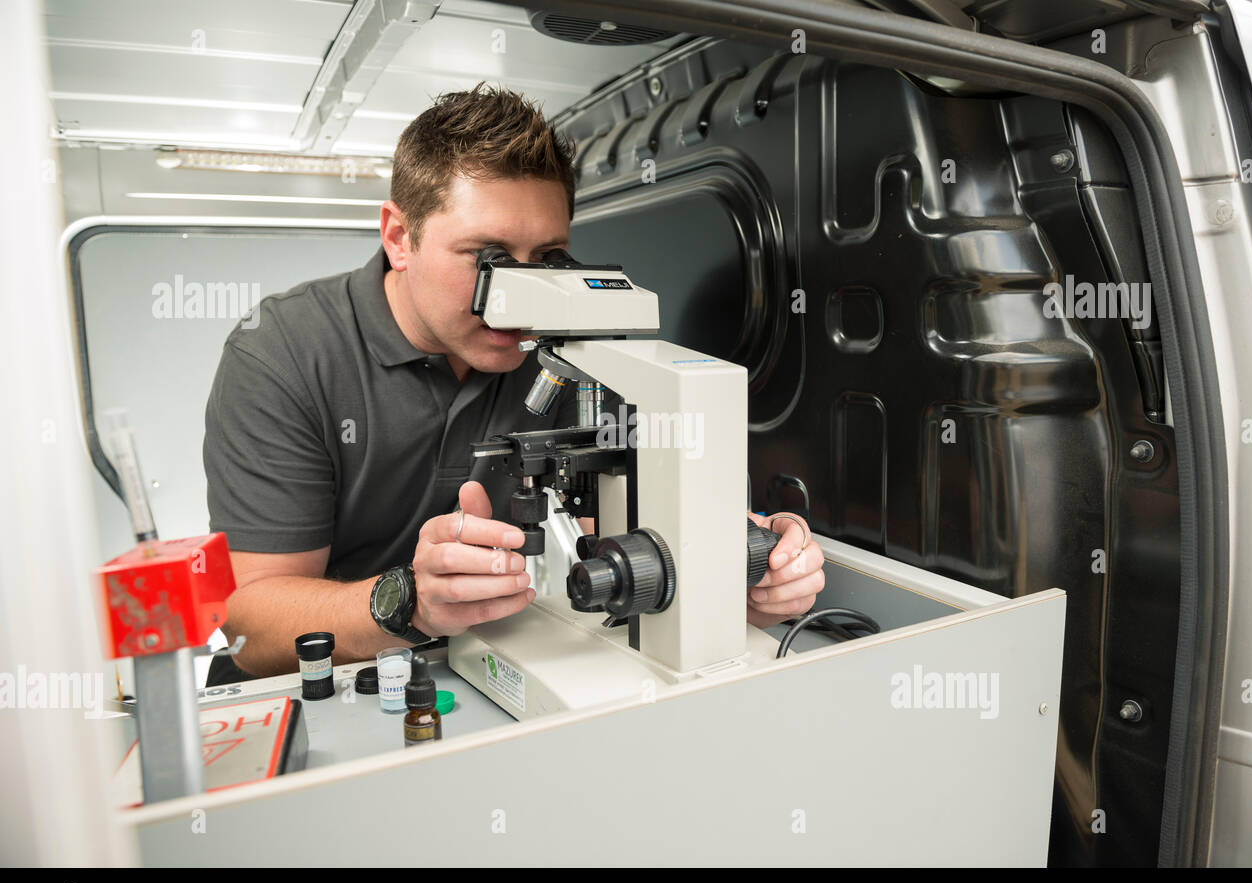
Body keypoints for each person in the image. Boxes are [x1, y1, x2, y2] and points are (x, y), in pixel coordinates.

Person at [202, 83, 824, 685]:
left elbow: (615, 528)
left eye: (549, 260)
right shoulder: (283, 352)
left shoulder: (569, 347)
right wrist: (411, 603)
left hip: (485, 664)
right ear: (399, 237)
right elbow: (248, 627)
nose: (522, 298)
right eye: (488, 259)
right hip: (323, 684)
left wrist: (738, 568)